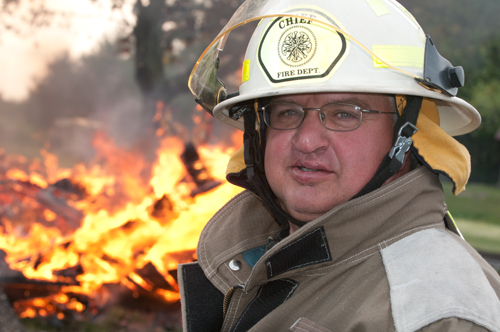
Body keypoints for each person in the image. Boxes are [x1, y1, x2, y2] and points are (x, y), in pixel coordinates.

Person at [178, 0, 500, 331]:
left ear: (408, 135)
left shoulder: (435, 314)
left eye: (345, 113)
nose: (306, 141)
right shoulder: (259, 263)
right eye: (286, 112)